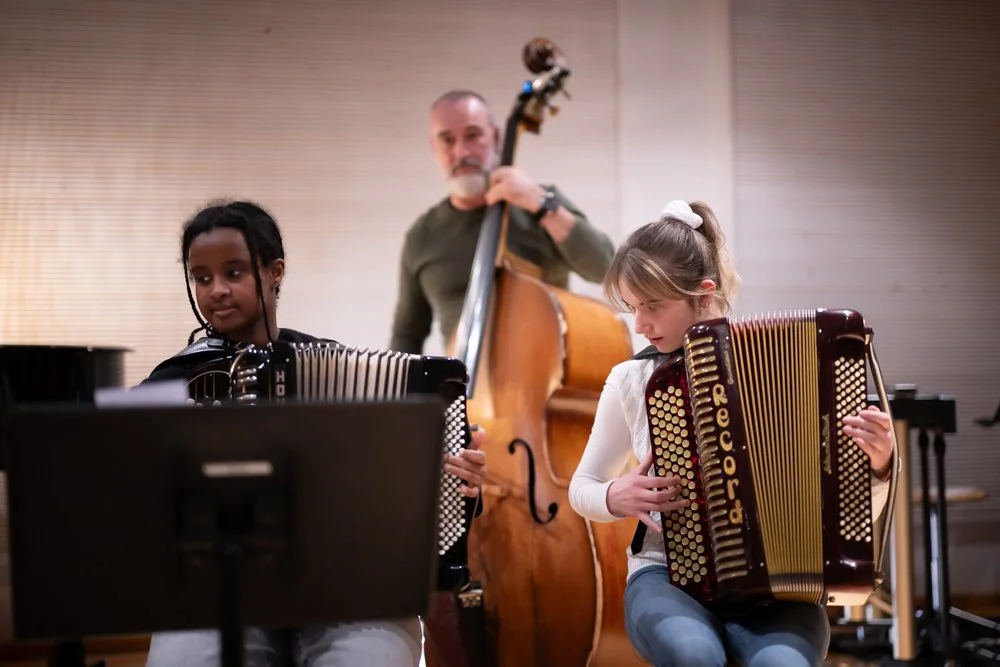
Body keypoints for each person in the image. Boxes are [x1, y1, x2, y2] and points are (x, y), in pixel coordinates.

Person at [141, 199, 488, 667]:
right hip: (222, 588)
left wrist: (459, 478)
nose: (217, 290)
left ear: (274, 271)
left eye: (235, 273)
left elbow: (405, 489)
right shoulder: (171, 381)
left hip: (347, 584)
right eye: (202, 278)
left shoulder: (344, 368)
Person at [567, 200, 897, 667]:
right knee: (695, 657)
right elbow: (580, 488)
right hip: (666, 574)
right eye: (633, 308)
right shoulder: (632, 380)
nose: (639, 324)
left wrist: (879, 466)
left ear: (703, 294)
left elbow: (849, 516)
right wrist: (614, 496)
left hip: (781, 585)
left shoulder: (799, 370)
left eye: (653, 307)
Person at [389, 89, 617, 354]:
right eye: (447, 140)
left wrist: (541, 204)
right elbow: (407, 335)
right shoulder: (421, 236)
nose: (461, 151)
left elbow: (607, 268)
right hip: (463, 390)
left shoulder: (542, 203)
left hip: (545, 385)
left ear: (496, 136)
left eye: (473, 135)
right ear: (434, 148)